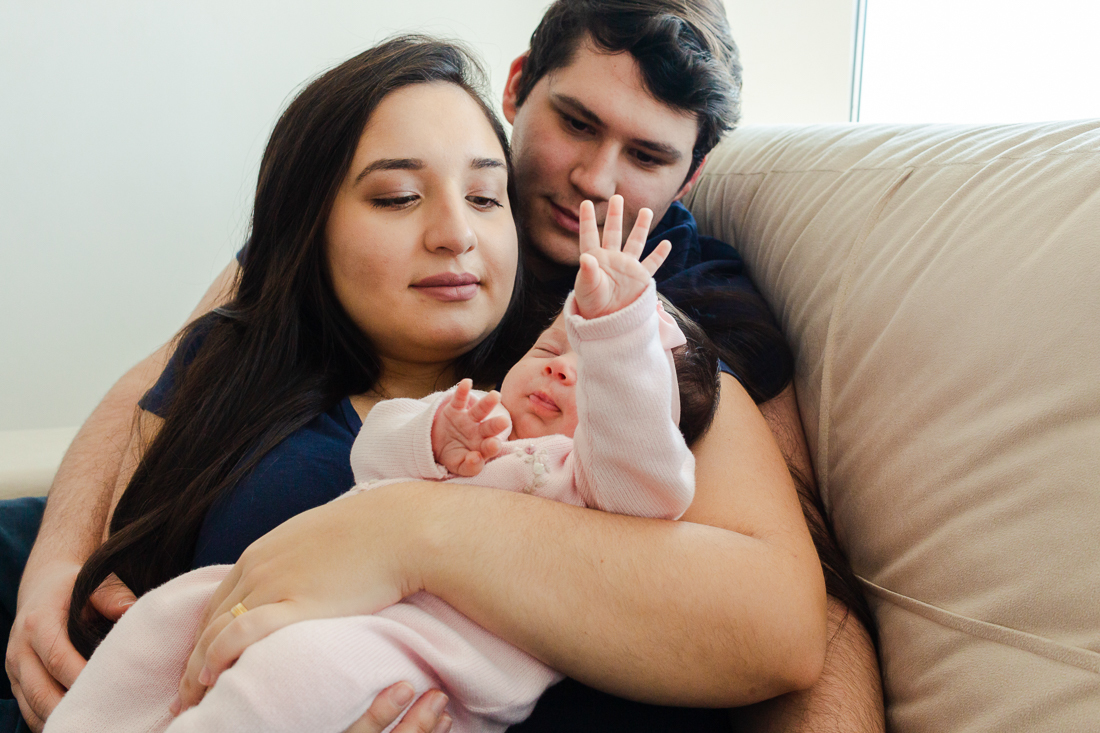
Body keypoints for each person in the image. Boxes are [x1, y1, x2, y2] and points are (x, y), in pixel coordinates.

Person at [5, 3, 884, 733]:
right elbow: (170, 375)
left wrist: (406, 531)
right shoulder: (348, 253)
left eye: (647, 157)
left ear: (690, 177)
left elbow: (800, 602)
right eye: (574, 122)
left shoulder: (665, 312)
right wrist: (63, 563)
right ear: (516, 89)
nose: (592, 179)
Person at [46, 197, 725, 733]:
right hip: (303, 587)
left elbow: (651, 473)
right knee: (162, 622)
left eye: (596, 373)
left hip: (409, 655)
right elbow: (371, 453)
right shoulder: (477, 413)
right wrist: (434, 432)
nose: (560, 365)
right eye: (555, 342)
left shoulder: (597, 480)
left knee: (289, 677)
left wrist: (620, 333)